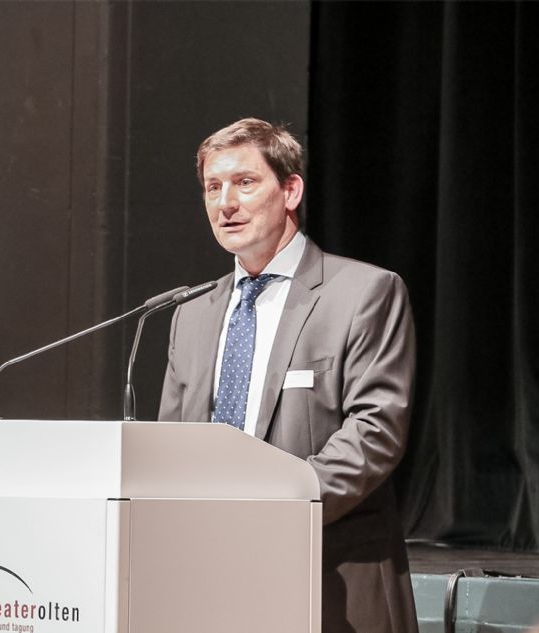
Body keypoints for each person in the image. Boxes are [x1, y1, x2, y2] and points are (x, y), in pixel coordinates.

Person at [158, 117, 418, 632]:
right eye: (213, 187)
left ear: (291, 191)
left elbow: (375, 432)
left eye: (245, 182)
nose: (226, 203)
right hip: (212, 578)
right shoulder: (191, 314)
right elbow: (171, 444)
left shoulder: (363, 293)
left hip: (328, 577)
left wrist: (273, 508)